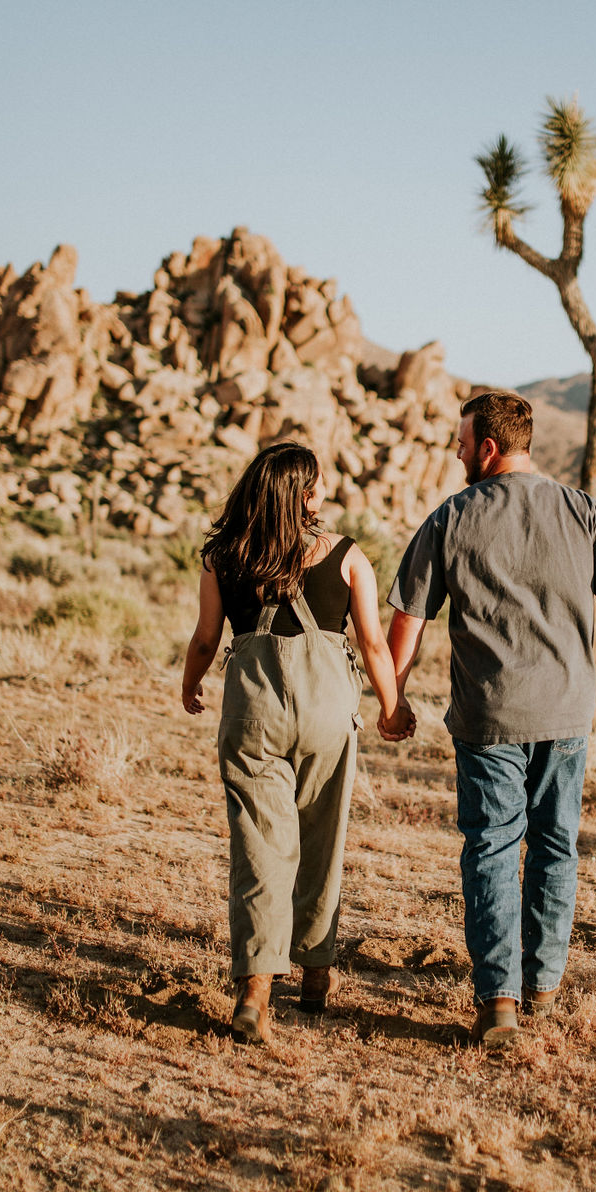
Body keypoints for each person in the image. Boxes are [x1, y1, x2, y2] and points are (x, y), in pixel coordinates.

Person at [381, 391, 596, 1049]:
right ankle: (543, 988)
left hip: (490, 716)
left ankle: (498, 1002)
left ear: (489, 448)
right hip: (565, 714)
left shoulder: (452, 517)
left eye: (463, 441)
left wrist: (395, 698)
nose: (456, 451)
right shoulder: (583, 511)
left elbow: (410, 618)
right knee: (557, 845)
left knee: (493, 848)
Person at [182, 440, 413, 1045]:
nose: (323, 495)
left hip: (252, 711)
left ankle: (256, 990)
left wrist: (190, 685)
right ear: (299, 494)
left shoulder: (221, 556)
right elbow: (373, 645)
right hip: (329, 711)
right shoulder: (346, 556)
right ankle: (315, 974)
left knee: (260, 848)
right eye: (315, 486)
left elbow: (206, 639)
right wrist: (393, 707)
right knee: (322, 837)